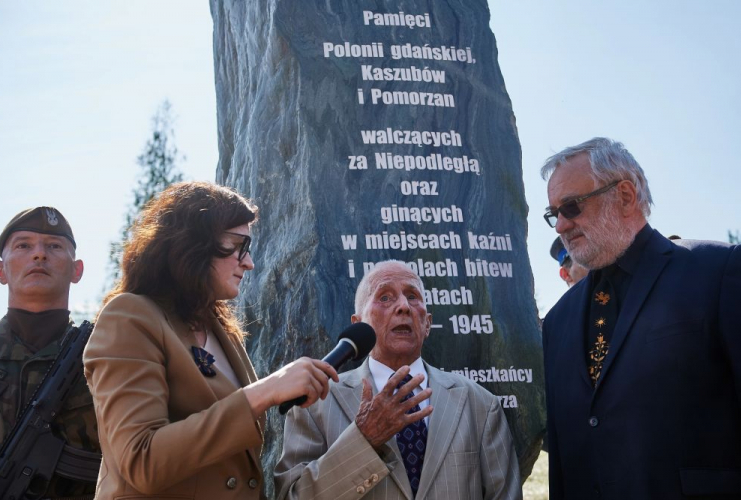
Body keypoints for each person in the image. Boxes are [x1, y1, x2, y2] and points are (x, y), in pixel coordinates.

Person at [83, 181, 338, 499]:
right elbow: (141, 460)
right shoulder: (129, 316)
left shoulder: (221, 328)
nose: (249, 262)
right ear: (193, 245)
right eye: (238, 246)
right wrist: (264, 392)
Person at [540, 137, 741, 498]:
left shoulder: (719, 272)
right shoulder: (557, 323)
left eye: (571, 207)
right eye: (553, 213)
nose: (560, 226)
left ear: (626, 196)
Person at [275, 260, 521, 500]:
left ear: (427, 324)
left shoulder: (480, 405)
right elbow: (293, 495)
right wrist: (363, 439)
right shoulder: (314, 404)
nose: (403, 306)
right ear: (358, 324)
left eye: (412, 296)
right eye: (385, 297)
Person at [0, 206, 100, 497]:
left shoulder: (104, 358)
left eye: (53, 246)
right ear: (1, 271)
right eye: (24, 245)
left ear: (77, 271)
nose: (39, 254)